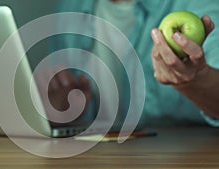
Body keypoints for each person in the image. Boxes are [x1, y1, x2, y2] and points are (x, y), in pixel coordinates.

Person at [36, 0, 219, 128]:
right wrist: (56, 110)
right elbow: (60, 109)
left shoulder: (199, 4)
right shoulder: (70, 6)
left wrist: (195, 83)